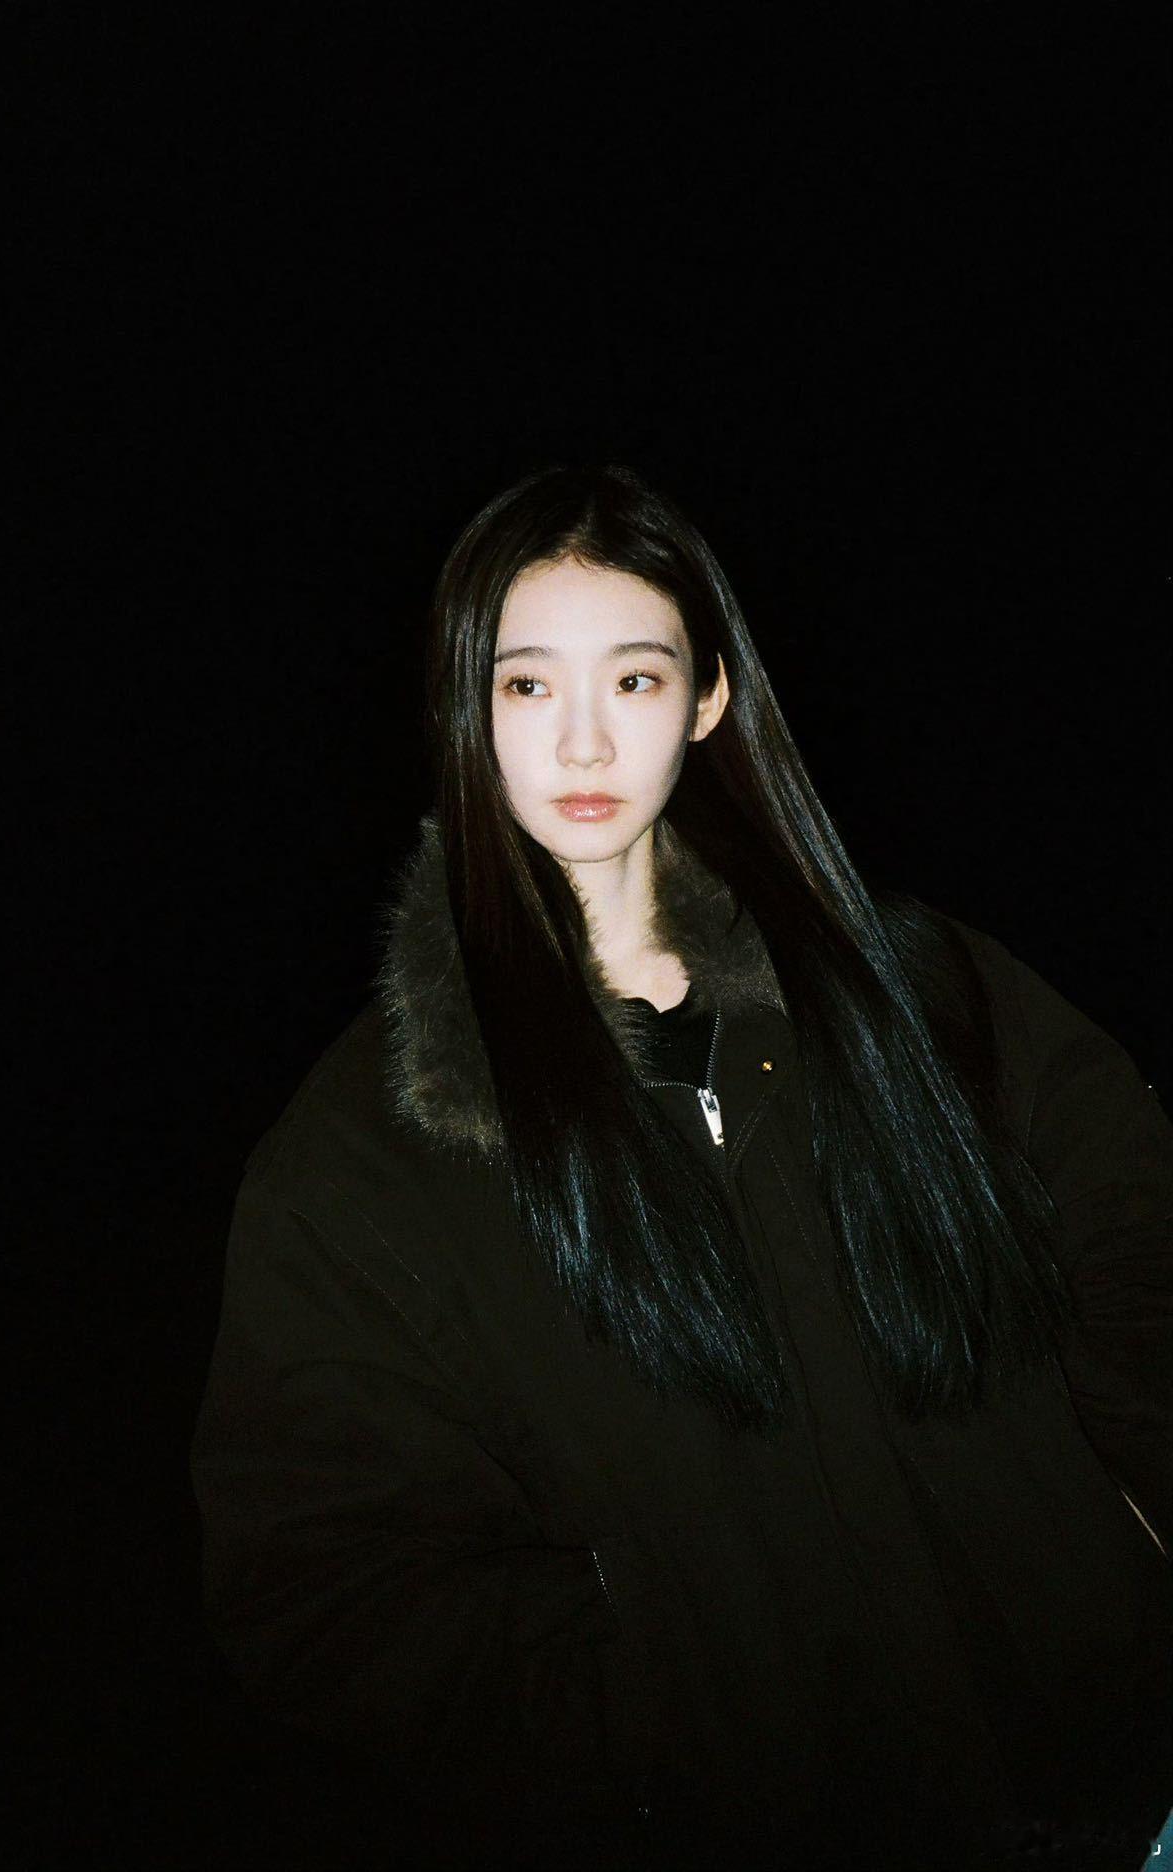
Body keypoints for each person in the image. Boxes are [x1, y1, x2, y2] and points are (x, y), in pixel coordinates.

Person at [189, 463, 1173, 1870]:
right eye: (527, 684)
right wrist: (671, 1722)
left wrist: (1125, 1505)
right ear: (462, 706)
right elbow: (329, 1581)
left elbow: (1131, 1206)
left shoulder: (901, 983)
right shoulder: (365, 1153)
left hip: (1125, 1789)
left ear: (708, 699)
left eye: (636, 679)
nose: (583, 738)